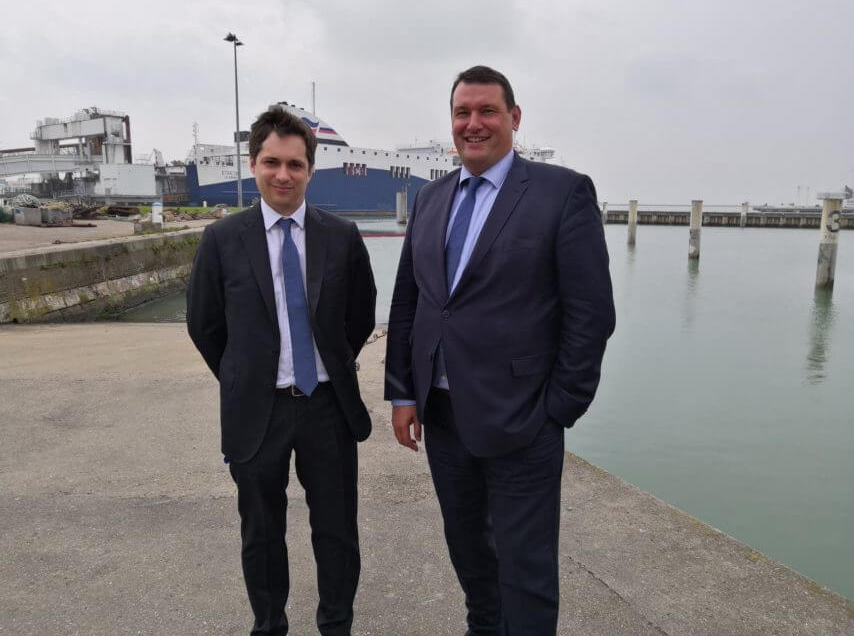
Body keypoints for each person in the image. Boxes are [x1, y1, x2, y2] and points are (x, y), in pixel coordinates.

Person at [385, 65, 615, 635]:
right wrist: (402, 393)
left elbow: (591, 314)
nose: (474, 123)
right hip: (442, 417)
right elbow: (410, 302)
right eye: (463, 113)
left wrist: (559, 407)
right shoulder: (431, 197)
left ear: (514, 118)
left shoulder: (562, 192)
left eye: (488, 111)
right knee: (469, 556)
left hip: (523, 421)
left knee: (527, 571)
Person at [187, 105, 376, 636]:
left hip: (327, 410)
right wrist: (244, 377)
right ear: (254, 165)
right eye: (272, 162)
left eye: (295, 164)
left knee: (337, 533)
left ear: (311, 170)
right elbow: (205, 326)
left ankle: (335, 625)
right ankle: (269, 625)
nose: (283, 175)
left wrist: (329, 367)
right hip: (258, 411)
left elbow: (359, 316)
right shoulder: (222, 241)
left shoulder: (341, 236)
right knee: (261, 534)